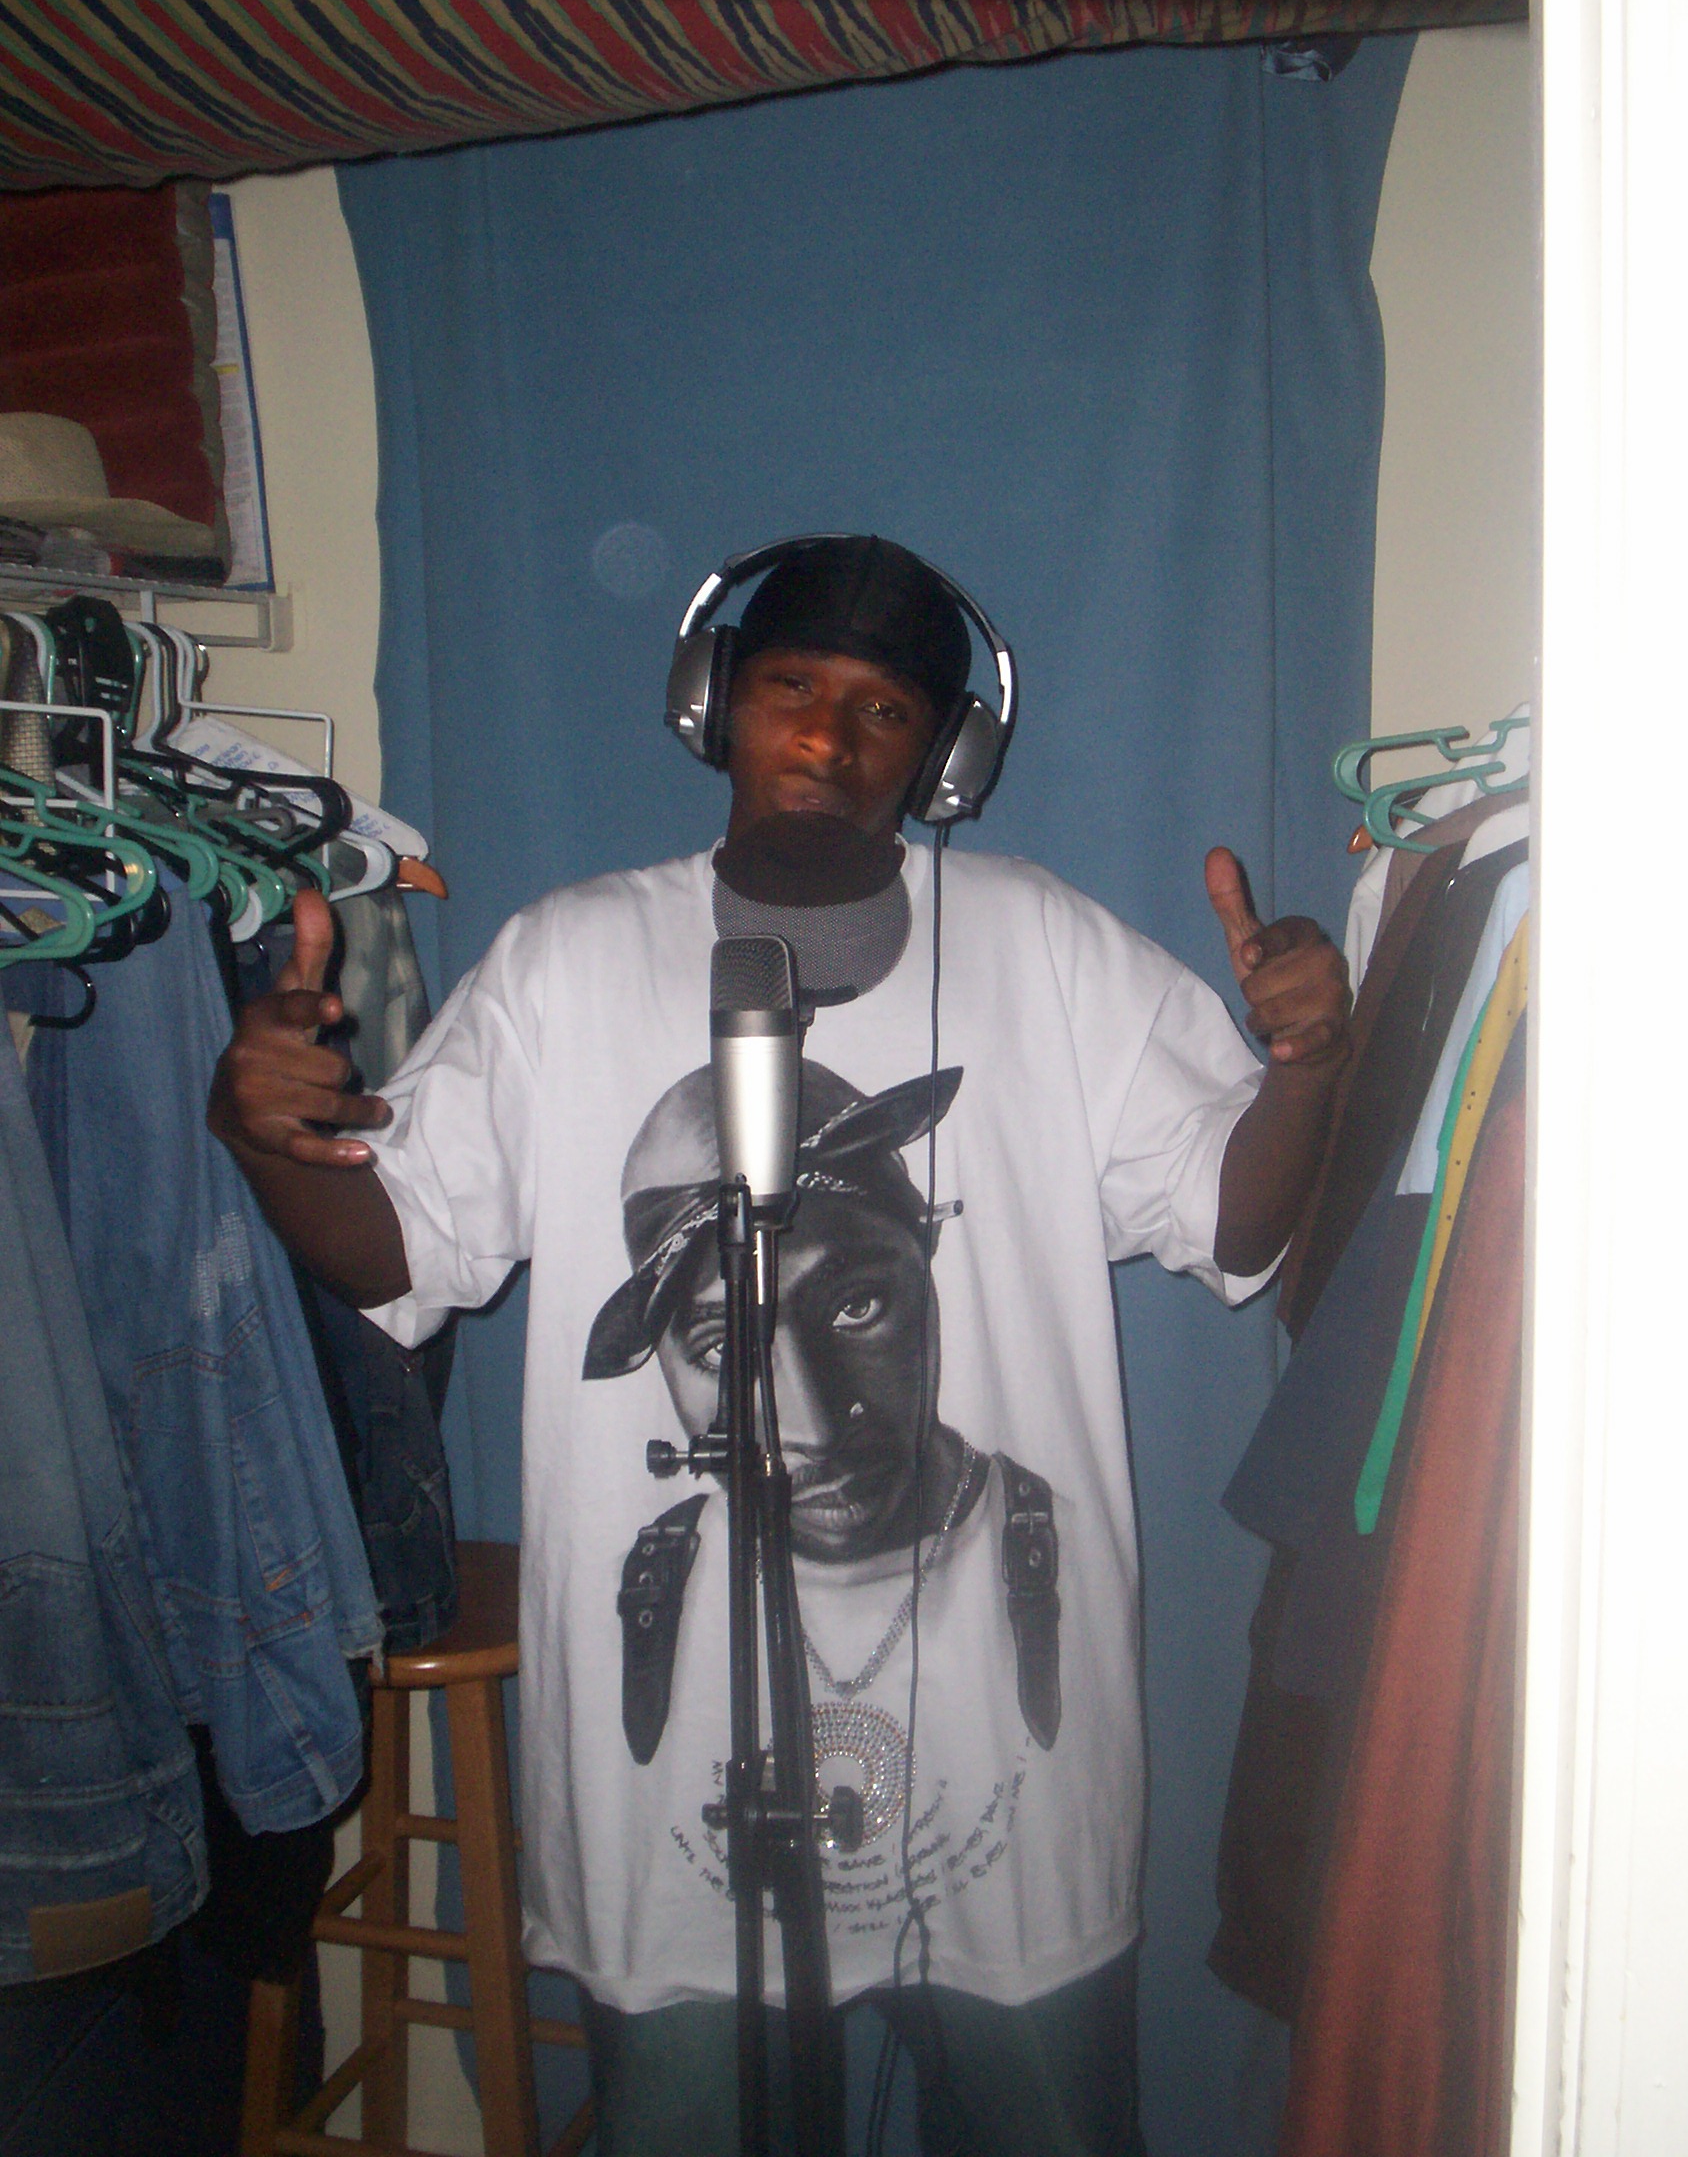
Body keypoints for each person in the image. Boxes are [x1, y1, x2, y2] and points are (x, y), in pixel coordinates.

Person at [209, 537, 1351, 2156]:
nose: (827, 734)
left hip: (1014, 1823)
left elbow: (1233, 1226)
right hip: (672, 1853)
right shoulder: (568, 959)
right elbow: (399, 1250)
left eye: (886, 709)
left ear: (946, 760)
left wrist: (1306, 1068)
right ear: (713, 702)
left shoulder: (1046, 947)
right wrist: (261, 1140)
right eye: (792, 687)